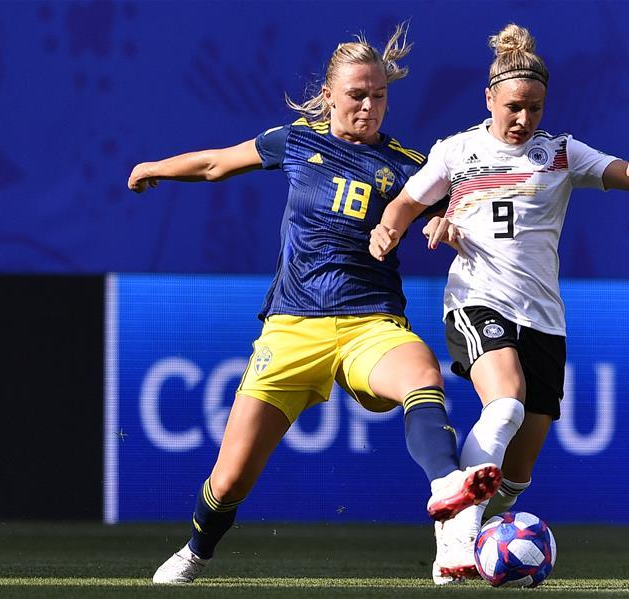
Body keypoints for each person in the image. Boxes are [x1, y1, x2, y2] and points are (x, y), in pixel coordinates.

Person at [127, 24, 501, 585]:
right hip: (291, 329)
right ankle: (196, 551)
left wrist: (445, 227)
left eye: (378, 95)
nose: (369, 106)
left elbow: (456, 217)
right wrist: (155, 168)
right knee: (229, 482)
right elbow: (215, 164)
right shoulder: (295, 141)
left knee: (422, 372)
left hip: (370, 324)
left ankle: (448, 491)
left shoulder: (407, 166)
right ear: (329, 95)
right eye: (357, 94)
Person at [369, 23, 629, 584]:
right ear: (489, 99)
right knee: (503, 406)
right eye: (513, 107)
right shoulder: (458, 151)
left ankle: (461, 525)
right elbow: (407, 201)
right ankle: (455, 543)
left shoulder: (560, 153)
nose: (523, 119)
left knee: (516, 477)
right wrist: (390, 229)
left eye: (534, 107)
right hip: (478, 302)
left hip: (544, 321)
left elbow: (626, 176)